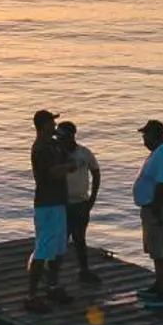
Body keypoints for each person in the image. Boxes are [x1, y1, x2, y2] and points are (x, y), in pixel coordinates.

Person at [26, 108, 75, 312]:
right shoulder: (40, 149)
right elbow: (51, 173)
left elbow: (67, 151)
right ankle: (32, 295)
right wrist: (69, 167)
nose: (55, 126)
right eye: (52, 123)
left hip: (58, 201)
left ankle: (52, 286)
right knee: (43, 249)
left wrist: (64, 144)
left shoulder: (52, 145)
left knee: (59, 248)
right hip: (47, 204)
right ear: (43, 125)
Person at [133, 118, 163, 306]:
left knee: (161, 252)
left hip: (158, 208)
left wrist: (157, 212)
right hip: (153, 207)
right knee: (155, 251)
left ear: (154, 135)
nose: (144, 139)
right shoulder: (158, 154)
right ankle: (158, 285)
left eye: (145, 135)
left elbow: (162, 185)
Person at [56, 120, 102, 283]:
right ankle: (53, 274)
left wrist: (92, 198)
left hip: (81, 203)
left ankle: (84, 270)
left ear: (70, 136)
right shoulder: (56, 154)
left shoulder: (84, 153)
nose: (59, 139)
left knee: (79, 238)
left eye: (61, 136)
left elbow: (96, 173)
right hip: (62, 203)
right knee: (61, 239)